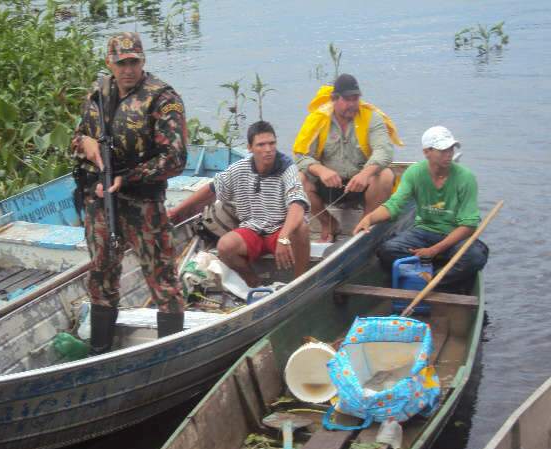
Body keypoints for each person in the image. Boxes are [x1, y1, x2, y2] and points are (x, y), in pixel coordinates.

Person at [71, 32, 187, 352]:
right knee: (101, 274)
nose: (128, 69)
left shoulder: (162, 98)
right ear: (110, 62)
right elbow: (77, 139)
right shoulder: (98, 94)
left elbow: (176, 159)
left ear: (143, 61)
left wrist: (130, 176)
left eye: (133, 61)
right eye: (121, 63)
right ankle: (100, 352)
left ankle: (170, 356)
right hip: (101, 200)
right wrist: (86, 144)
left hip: (144, 204)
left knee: (162, 281)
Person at [168, 121, 310, 288]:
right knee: (225, 246)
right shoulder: (239, 168)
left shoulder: (287, 168)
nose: (268, 149)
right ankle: (254, 284)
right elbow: (211, 189)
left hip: (280, 229)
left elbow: (297, 204)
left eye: (272, 143)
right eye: (261, 145)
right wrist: (176, 211)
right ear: (250, 148)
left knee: (301, 228)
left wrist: (284, 237)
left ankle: (301, 281)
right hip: (253, 229)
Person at [353, 126, 489, 292]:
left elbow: (469, 225)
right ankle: (436, 277)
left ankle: (429, 282)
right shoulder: (415, 172)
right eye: (442, 150)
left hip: (454, 236)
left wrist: (434, 250)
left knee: (475, 257)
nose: (449, 154)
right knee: (387, 250)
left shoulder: (466, 178)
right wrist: (369, 218)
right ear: (427, 152)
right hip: (424, 231)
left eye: (451, 149)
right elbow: (394, 205)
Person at [293, 73, 404, 241]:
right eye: (347, 99)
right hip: (330, 184)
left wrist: (365, 174)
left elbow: (385, 151)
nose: (352, 104)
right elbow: (301, 155)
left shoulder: (371, 117)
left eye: (355, 99)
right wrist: (322, 171)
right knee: (298, 179)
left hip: (362, 184)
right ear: (334, 99)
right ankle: (328, 223)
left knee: (385, 175)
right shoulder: (318, 119)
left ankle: (365, 223)